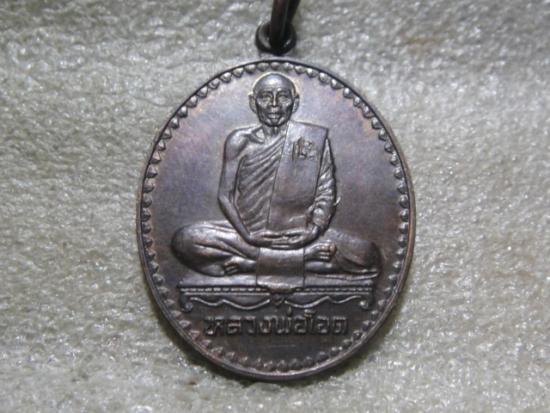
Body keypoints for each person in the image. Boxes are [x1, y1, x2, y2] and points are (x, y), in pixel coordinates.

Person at [172, 73, 380, 282]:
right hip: (247, 235)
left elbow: (325, 193)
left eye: (282, 97)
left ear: (294, 103)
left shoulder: (312, 139)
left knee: (367, 254)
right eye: (265, 97)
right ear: (253, 103)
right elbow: (225, 196)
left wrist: (312, 232)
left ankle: (255, 264)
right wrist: (248, 235)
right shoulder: (239, 141)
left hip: (300, 234)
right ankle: (300, 260)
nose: (274, 105)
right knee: (186, 240)